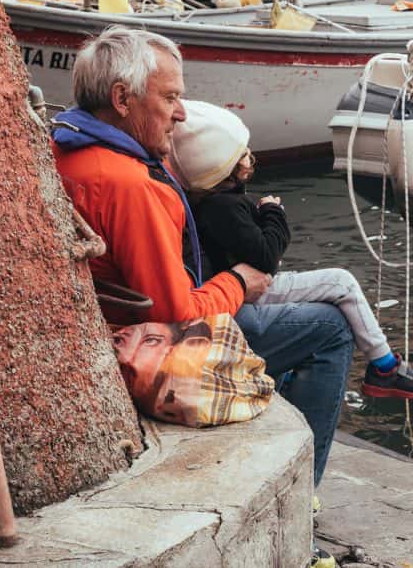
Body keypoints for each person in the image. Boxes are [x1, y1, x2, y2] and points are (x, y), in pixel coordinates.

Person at [50, 26, 352, 491]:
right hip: (144, 346)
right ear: (122, 99)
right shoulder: (132, 187)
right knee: (330, 327)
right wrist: (239, 281)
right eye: (170, 97)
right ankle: (302, 495)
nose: (181, 112)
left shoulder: (62, 150)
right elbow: (177, 313)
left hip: (95, 329)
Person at [169, 101, 413, 399]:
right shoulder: (223, 208)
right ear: (230, 166)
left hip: (233, 288)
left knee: (334, 295)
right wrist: (274, 213)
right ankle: (385, 367)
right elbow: (267, 256)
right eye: (243, 154)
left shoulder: (209, 203)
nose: (249, 157)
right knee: (342, 282)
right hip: (251, 289)